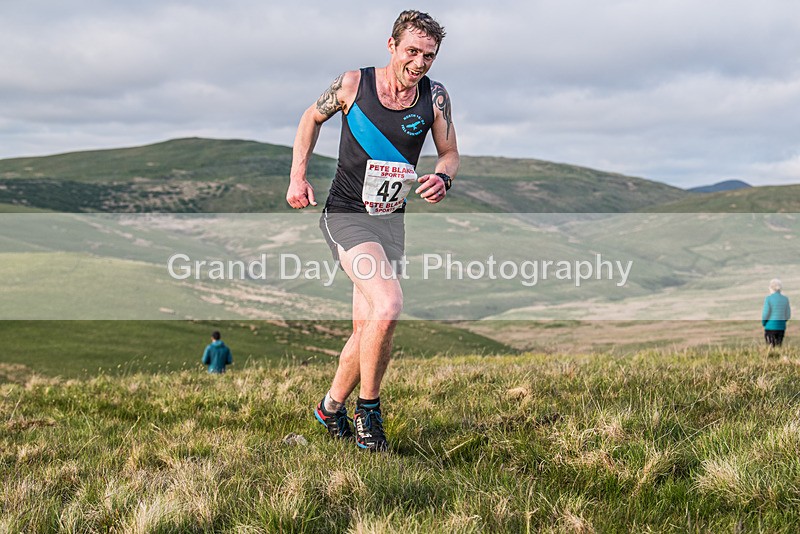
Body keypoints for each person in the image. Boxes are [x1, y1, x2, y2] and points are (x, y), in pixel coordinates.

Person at [286, 10, 459, 451]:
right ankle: (369, 414)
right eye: (412, 52)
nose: (420, 63)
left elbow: (450, 152)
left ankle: (328, 408)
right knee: (389, 305)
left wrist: (443, 177)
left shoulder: (434, 98)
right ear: (391, 45)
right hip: (346, 213)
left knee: (368, 328)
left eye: (429, 55)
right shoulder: (353, 84)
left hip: (391, 220)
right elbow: (310, 118)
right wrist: (297, 176)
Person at [763, 278, 791, 348]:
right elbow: (788, 315)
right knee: (778, 346)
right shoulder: (785, 299)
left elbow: (765, 314)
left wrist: (764, 323)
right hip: (781, 327)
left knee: (770, 347)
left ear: (771, 288)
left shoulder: (768, 299)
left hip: (770, 327)